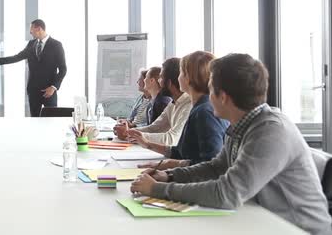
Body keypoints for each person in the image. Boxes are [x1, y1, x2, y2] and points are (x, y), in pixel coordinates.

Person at [130, 54, 332, 234]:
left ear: (223, 97)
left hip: (296, 228)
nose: (207, 98)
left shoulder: (270, 131)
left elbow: (226, 193)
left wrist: (157, 189)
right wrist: (169, 176)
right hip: (261, 220)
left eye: (210, 90)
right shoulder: (243, 125)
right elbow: (217, 167)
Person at [129, 51, 228, 168]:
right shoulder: (199, 107)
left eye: (181, 73)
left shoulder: (204, 112)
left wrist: (169, 170)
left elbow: (210, 165)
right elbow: (180, 153)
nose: (177, 77)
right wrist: (147, 144)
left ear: (189, 78)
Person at [0, 19, 67, 117]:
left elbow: (63, 69)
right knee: (35, 122)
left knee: (51, 120)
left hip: (49, 92)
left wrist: (53, 87)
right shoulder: (31, 44)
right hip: (33, 91)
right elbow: (17, 57)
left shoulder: (56, 45)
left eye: (31, 30)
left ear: (39, 29)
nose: (30, 32)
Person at [114, 58, 191, 145]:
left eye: (161, 77)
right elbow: (154, 128)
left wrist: (131, 133)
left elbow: (172, 139)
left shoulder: (189, 105)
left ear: (169, 82)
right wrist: (128, 131)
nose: (158, 81)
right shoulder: (173, 103)